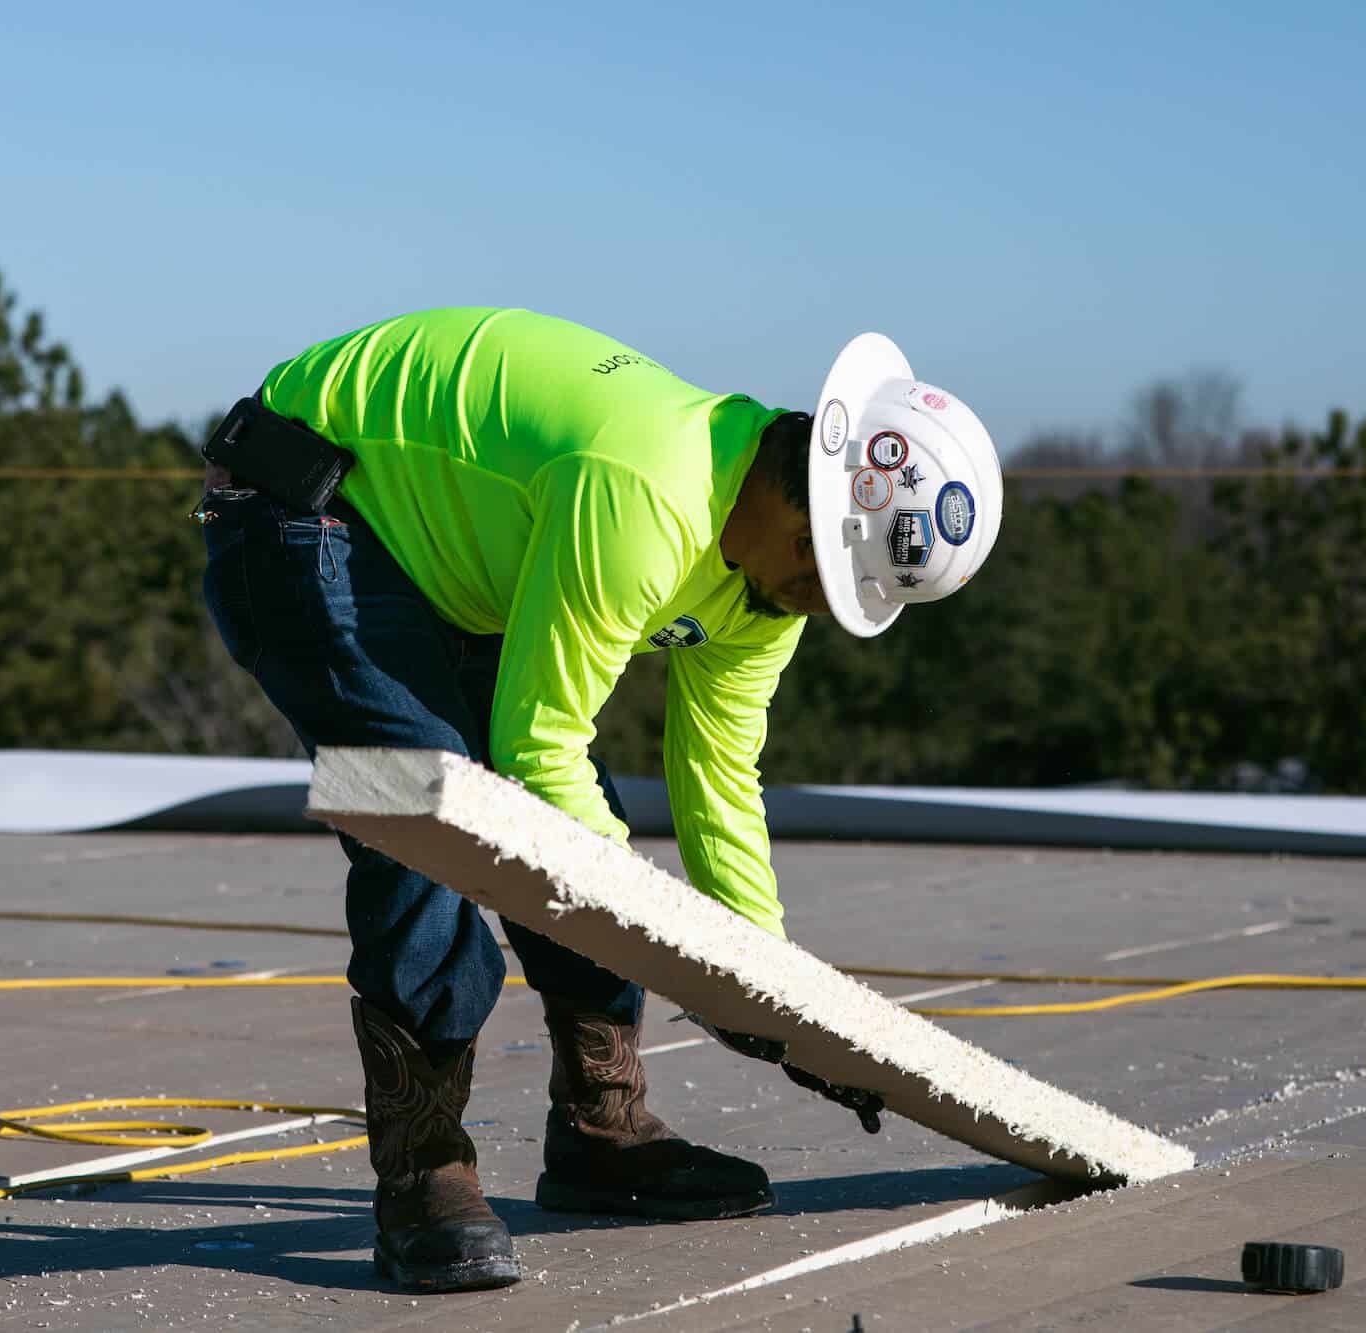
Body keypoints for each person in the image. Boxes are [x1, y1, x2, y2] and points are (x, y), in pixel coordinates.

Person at [196, 308, 1002, 1292]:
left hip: (441, 552)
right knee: (424, 809)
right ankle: (422, 1172)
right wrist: (681, 952)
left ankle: (598, 1130)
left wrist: (768, 989)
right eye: (820, 572)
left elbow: (718, 779)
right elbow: (541, 746)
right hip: (305, 500)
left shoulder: (769, 582)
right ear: (796, 493)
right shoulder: (646, 491)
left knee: (568, 818)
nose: (816, 603)